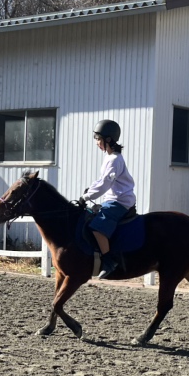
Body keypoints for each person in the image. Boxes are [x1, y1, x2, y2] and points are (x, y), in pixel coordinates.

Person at [81, 119, 137, 280]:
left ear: (108, 139)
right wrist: (89, 190)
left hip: (120, 201)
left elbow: (105, 184)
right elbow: (101, 181)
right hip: (112, 199)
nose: (96, 142)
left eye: (98, 139)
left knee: (97, 227)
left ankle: (108, 261)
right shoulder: (109, 157)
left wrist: (86, 197)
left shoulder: (114, 160)